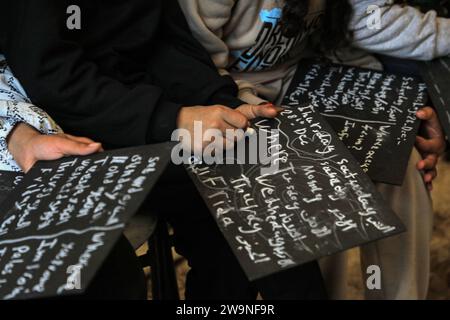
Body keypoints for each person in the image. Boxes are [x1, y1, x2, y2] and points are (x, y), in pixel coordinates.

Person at [0, 0, 328, 299]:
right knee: (241, 193)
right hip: (80, 133)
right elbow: (56, 81)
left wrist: (222, 106)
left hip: (148, 114)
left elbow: (169, 43)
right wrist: (175, 119)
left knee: (266, 192)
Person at [177, 0, 447, 299]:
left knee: (402, 161)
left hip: (305, 77)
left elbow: (369, 20)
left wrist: (390, 107)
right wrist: (251, 107)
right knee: (313, 182)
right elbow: (196, 64)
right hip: (229, 96)